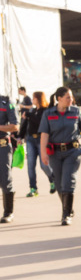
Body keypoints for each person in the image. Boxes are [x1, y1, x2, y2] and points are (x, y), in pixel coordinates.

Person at [39, 87, 81, 225]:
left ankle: (66, 214)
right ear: (59, 98)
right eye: (68, 97)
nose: (71, 100)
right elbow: (44, 134)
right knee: (59, 184)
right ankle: (68, 208)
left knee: (68, 181)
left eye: (71, 97)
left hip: (72, 152)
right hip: (54, 153)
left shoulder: (76, 112)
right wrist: (43, 153)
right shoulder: (48, 113)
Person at [20, 91, 55, 198]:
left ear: (39, 99)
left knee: (44, 165)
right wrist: (19, 136)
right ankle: (33, 188)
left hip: (41, 140)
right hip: (30, 139)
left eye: (34, 98)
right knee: (30, 165)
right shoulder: (32, 110)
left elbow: (39, 122)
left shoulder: (45, 111)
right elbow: (25, 123)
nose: (32, 100)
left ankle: (53, 179)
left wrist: (29, 115)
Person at [0, 92, 19, 223]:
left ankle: (8, 212)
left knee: (5, 179)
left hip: (2, 146)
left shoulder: (6, 103)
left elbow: (14, 126)